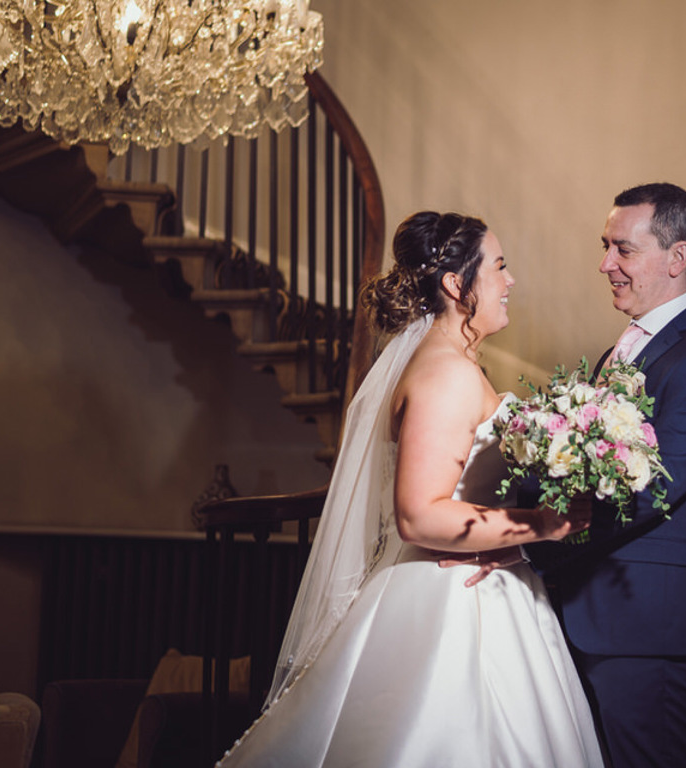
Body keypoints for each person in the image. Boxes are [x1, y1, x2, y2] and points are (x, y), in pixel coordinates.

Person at [216, 211, 605, 767]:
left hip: (479, 579)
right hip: (452, 602)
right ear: (456, 284)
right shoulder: (447, 374)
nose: (510, 279)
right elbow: (419, 516)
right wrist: (549, 523)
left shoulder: (455, 363)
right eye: (498, 266)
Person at [498, 183, 686, 768]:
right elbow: (577, 471)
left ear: (676, 257)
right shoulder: (620, 352)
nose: (605, 263)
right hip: (587, 613)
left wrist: (527, 547)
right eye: (605, 246)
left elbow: (652, 489)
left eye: (622, 249)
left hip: (647, 628)